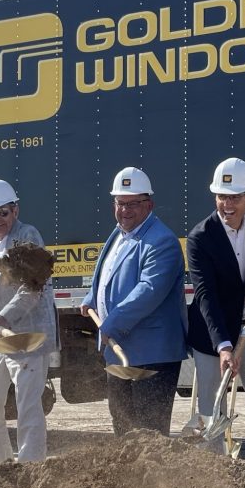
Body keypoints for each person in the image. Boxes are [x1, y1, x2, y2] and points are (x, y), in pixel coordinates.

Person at [81, 167, 187, 436]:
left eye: (133, 204)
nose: (125, 210)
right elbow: (108, 274)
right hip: (120, 353)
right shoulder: (119, 234)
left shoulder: (161, 241)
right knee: (123, 427)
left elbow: (148, 290)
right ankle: (128, 479)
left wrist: (111, 324)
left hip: (152, 355)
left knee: (150, 433)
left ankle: (156, 480)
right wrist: (92, 297)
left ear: (149, 204)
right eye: (120, 203)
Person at [187, 157, 245, 462]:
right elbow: (205, 295)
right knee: (213, 406)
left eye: (235, 197)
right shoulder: (200, 237)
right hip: (211, 334)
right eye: (221, 196)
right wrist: (223, 346)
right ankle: (217, 470)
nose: (227, 204)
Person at [0, 178, 58, 468]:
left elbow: (32, 288)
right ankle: (1, 468)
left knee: (27, 406)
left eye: (2, 212)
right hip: (0, 337)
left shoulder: (28, 236)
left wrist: (3, 317)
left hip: (27, 337)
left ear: (15, 210)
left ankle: (32, 471)